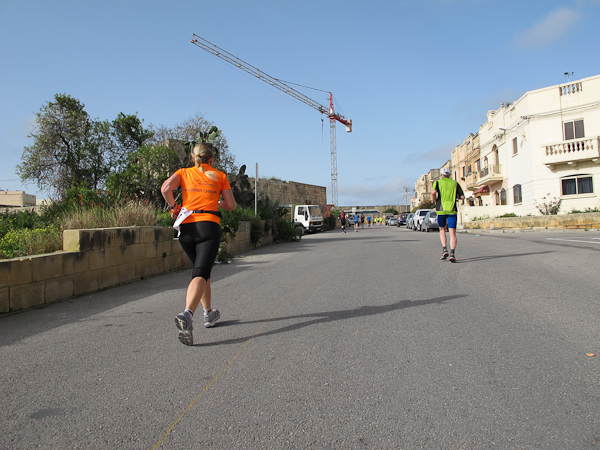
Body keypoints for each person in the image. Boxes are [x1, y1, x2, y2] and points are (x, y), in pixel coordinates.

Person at [161, 142, 237, 345]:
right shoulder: (219, 176)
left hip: (186, 229)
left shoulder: (183, 172)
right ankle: (187, 314)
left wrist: (174, 207)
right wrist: (216, 201)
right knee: (200, 274)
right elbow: (231, 205)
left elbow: (165, 188)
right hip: (207, 227)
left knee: (203, 271)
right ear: (211, 159)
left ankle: (208, 313)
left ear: (193, 158)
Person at [431, 168, 465, 263]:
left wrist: (435, 200)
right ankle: (452, 254)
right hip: (452, 210)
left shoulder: (437, 182)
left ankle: (445, 249)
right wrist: (455, 197)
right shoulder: (455, 183)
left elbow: (433, 192)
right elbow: (462, 197)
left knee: (442, 230)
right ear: (449, 175)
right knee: (452, 233)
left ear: (441, 175)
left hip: (441, 210)